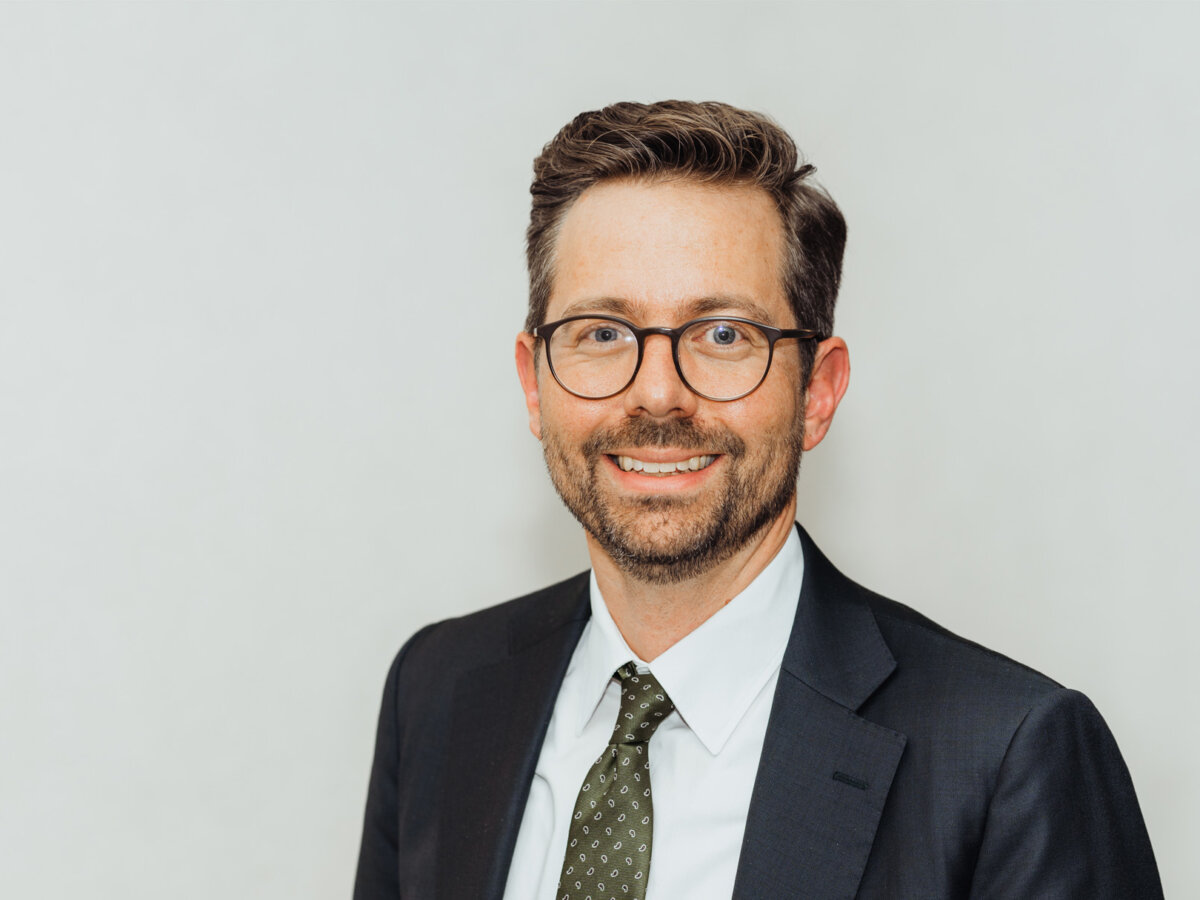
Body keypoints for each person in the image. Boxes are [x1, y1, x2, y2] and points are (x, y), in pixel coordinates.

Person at [353, 101, 1162, 900]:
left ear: (818, 391)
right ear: (534, 384)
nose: (658, 394)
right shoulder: (438, 690)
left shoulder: (1008, 757)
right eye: (602, 333)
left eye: (724, 335)